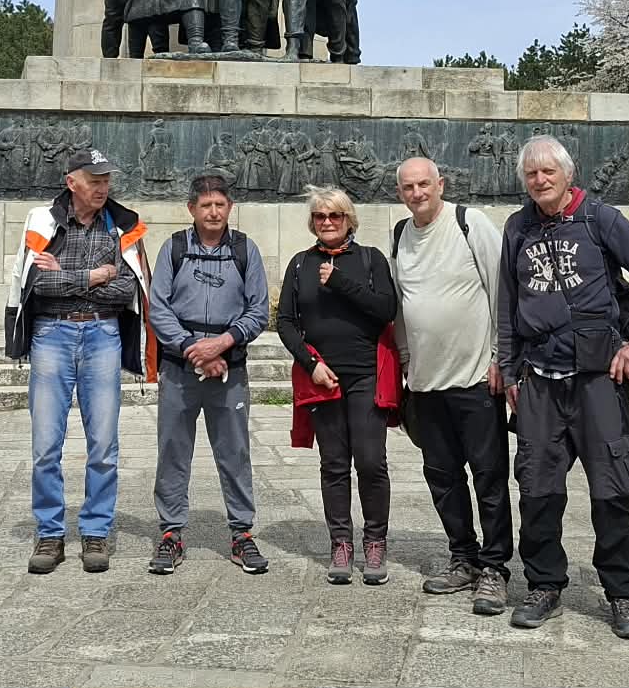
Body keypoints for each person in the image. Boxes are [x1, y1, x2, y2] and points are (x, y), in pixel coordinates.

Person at [500, 135, 629, 638]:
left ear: (568, 173)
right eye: (531, 173)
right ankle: (544, 584)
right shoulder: (517, 227)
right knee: (537, 488)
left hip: (599, 380)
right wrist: (509, 368)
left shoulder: (601, 220)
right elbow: (508, 306)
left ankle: (624, 593)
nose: (540, 180)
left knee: (612, 489)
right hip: (539, 380)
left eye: (548, 171)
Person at [4, 148, 149, 575]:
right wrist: (93, 276)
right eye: (94, 180)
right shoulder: (42, 221)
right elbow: (38, 284)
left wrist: (67, 278)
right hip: (51, 335)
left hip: (103, 334)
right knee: (45, 446)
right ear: (72, 182)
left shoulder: (122, 224)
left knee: (103, 445)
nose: (103, 188)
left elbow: (126, 290)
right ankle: (50, 532)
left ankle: (95, 531)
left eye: (106, 180)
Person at [388, 158, 512, 616]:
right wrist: (405, 361)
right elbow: (400, 304)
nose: (417, 193)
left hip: (476, 378)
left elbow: (503, 289)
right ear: (399, 192)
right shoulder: (399, 235)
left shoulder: (469, 222)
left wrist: (501, 356)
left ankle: (495, 567)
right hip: (425, 382)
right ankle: (464, 557)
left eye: (424, 184)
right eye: (408, 187)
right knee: (442, 478)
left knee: (489, 477)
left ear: (440, 184)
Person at [145, 174, 271, 575]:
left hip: (229, 369)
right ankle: (171, 533)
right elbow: (158, 307)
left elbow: (259, 309)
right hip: (180, 368)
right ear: (191, 209)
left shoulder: (245, 250)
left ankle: (241, 533)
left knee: (235, 453)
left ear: (229, 207)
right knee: (173, 451)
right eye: (205, 205)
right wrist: (193, 350)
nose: (213, 212)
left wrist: (222, 344)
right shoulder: (174, 248)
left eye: (220, 204)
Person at [278, 184, 400, 585]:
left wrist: (340, 282)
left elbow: (386, 309)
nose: (327, 222)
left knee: (370, 461)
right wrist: (311, 364)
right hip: (322, 377)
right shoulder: (300, 264)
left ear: (349, 219)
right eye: (320, 216)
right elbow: (286, 322)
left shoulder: (370, 259)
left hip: (366, 374)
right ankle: (341, 544)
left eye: (335, 215)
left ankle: (375, 541)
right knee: (333, 463)